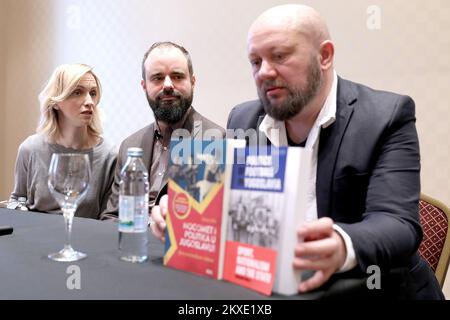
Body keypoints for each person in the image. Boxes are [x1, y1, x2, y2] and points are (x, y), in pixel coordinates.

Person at [225, 4, 443, 299]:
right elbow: (233, 209)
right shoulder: (243, 120)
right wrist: (183, 219)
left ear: (324, 56)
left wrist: (341, 244)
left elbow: (398, 223)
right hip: (279, 289)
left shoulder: (386, 116)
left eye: (279, 56)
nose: (264, 72)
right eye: (255, 61)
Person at [101, 41, 225, 219]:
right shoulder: (130, 145)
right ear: (144, 86)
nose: (167, 85)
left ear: (192, 81)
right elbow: (112, 216)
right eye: (157, 78)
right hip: (132, 242)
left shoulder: (215, 141)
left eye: (177, 76)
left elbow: (211, 222)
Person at [10, 63, 117, 219]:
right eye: (77, 92)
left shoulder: (109, 154)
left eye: (93, 93)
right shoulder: (30, 149)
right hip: (35, 238)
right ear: (56, 102)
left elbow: (109, 218)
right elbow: (17, 200)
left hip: (85, 240)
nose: (89, 101)